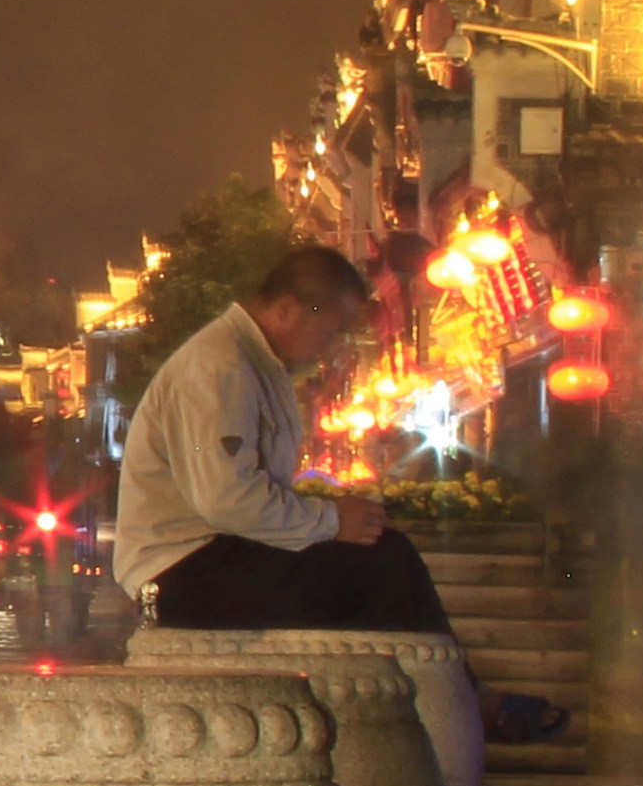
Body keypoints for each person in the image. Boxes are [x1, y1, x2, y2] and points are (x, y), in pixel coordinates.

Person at [115, 243, 567, 742]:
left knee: (380, 559)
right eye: (329, 331)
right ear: (287, 307)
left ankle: (431, 708)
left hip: (219, 557)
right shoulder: (219, 368)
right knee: (382, 566)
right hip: (181, 571)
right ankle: (446, 710)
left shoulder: (253, 365)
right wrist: (332, 521)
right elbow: (225, 499)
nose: (331, 348)